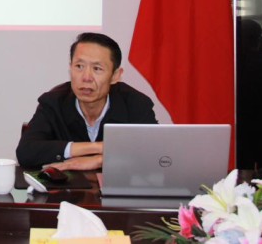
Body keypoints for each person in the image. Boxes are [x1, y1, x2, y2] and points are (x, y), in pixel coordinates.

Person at [16, 32, 157, 170]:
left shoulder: (136, 104)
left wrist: (101, 160)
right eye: (79, 66)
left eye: (97, 68)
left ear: (115, 76)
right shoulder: (53, 102)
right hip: (69, 186)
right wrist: (98, 147)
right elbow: (26, 152)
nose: (86, 77)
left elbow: (156, 154)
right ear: (70, 67)